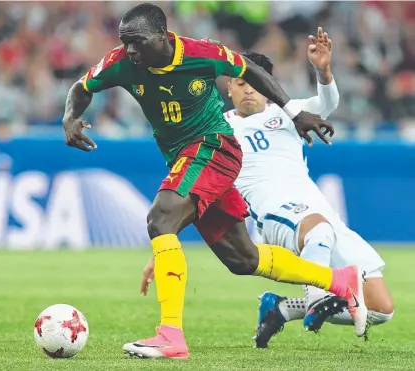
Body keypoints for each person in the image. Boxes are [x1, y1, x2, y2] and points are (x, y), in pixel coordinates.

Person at [62, 4, 365, 359]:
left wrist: (293, 112)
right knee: (243, 258)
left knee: (160, 218)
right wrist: (70, 117)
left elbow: (249, 69)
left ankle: (170, 335)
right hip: (187, 160)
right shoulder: (122, 63)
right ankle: (339, 280)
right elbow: (81, 88)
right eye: (125, 42)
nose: (130, 50)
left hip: (213, 147)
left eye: (138, 42)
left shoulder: (200, 53)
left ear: (162, 35)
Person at [223, 27, 393, 348]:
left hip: (316, 210)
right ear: (229, 87)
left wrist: (323, 70)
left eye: (255, 85)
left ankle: (282, 308)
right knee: (320, 232)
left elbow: (327, 102)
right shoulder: (221, 128)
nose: (249, 92)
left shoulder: (289, 114)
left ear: (269, 87)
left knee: (381, 307)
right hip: (271, 212)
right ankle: (316, 297)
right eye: (241, 84)